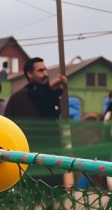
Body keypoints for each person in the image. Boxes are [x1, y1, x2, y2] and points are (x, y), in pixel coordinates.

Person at [4, 56, 68, 186]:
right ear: (29, 74)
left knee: (54, 198)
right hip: (30, 159)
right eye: (40, 71)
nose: (45, 74)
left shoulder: (51, 95)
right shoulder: (19, 99)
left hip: (52, 157)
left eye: (45, 70)